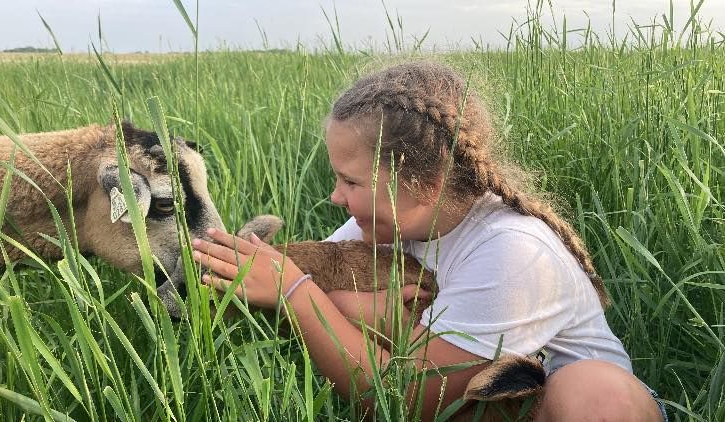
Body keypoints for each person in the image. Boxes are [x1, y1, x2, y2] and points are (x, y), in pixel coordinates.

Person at [191, 61, 666, 421]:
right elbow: (313, 281)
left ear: (425, 185)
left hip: (575, 411)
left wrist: (297, 294)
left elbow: (401, 397)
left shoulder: (512, 252)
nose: (335, 197)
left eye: (351, 182)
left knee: (589, 389)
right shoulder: (383, 225)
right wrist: (338, 300)